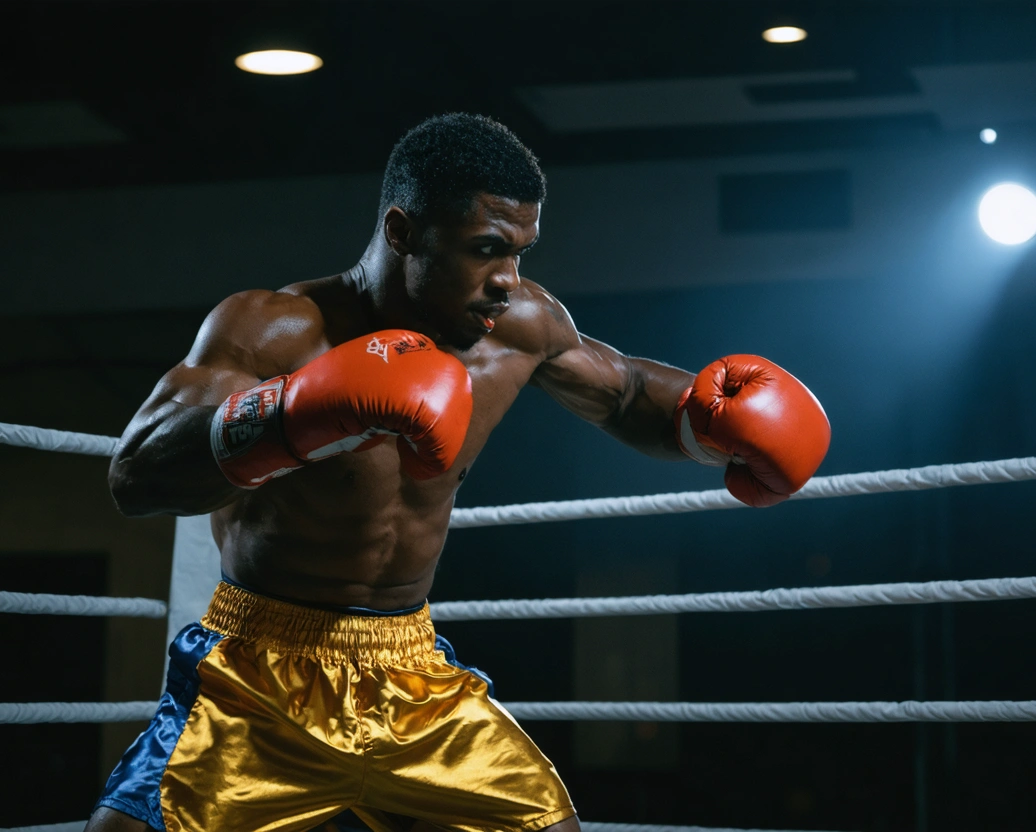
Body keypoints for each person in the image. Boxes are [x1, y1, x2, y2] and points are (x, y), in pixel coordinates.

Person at [87, 114, 831, 832]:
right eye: (485, 249)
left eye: (520, 253)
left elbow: (629, 392)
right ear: (403, 232)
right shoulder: (274, 329)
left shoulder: (518, 327)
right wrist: (293, 414)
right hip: (257, 674)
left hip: (410, 675)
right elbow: (136, 474)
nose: (507, 279)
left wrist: (713, 429)